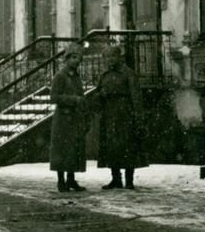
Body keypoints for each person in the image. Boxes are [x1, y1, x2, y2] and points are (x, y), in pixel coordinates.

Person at [96, 46, 147, 189]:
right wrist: (101, 95)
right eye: (107, 57)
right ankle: (116, 179)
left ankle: (129, 181)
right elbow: (97, 95)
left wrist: (138, 118)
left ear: (120, 57)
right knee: (112, 148)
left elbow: (136, 97)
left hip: (125, 114)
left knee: (128, 147)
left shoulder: (128, 74)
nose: (110, 60)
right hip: (109, 114)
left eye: (113, 56)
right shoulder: (104, 75)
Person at [50, 44, 87, 192]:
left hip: (75, 118)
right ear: (66, 59)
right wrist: (73, 100)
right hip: (63, 120)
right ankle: (61, 181)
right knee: (62, 151)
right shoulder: (60, 76)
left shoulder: (76, 77)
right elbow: (54, 97)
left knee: (74, 150)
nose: (76, 61)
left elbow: (81, 96)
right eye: (73, 57)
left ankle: (71, 180)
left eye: (78, 58)